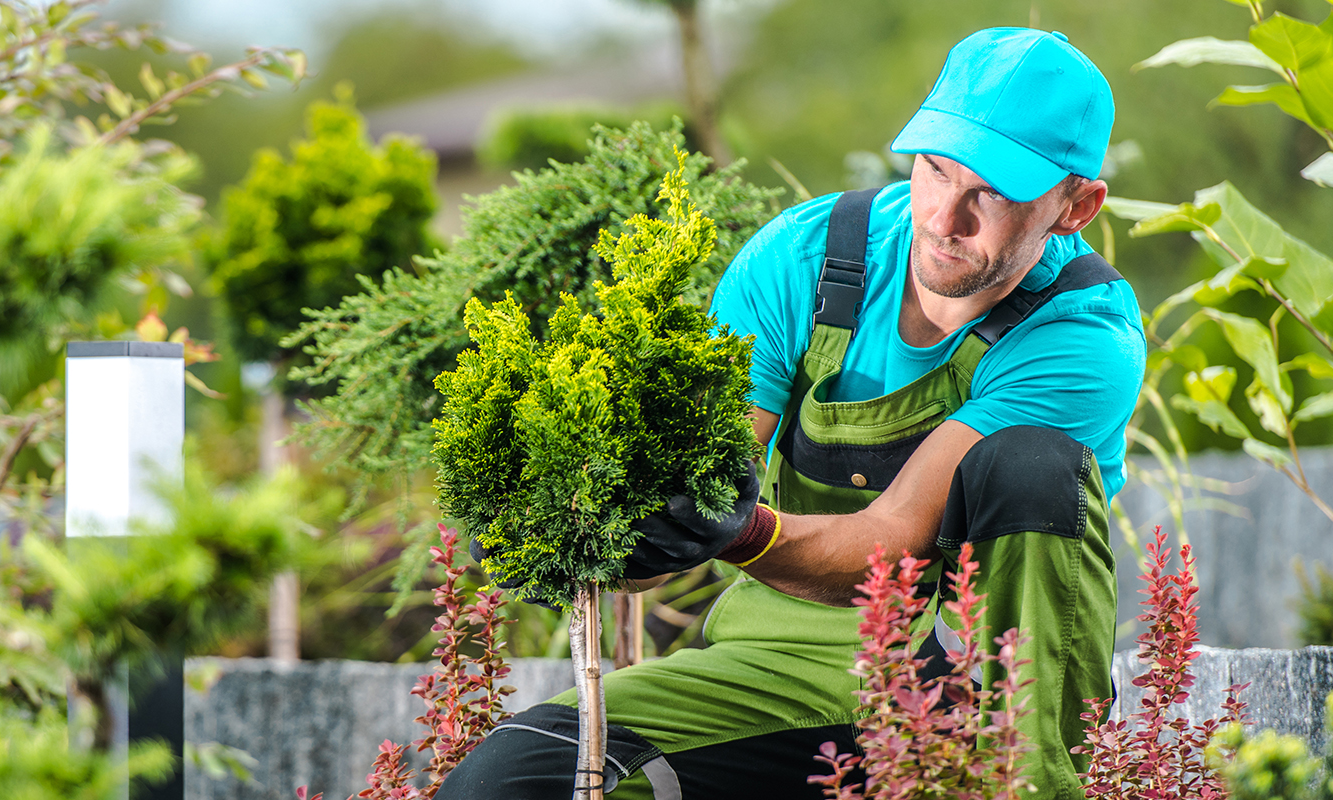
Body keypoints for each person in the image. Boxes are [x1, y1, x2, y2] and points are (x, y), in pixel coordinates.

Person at [438, 27, 1140, 800]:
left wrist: (737, 531)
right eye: (937, 170)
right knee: (513, 782)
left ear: (1076, 205)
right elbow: (708, 471)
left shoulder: (1081, 335)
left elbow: (894, 553)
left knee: (1032, 466)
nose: (946, 217)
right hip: (781, 672)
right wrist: (601, 529)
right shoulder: (804, 262)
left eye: (994, 194)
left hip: (978, 687)